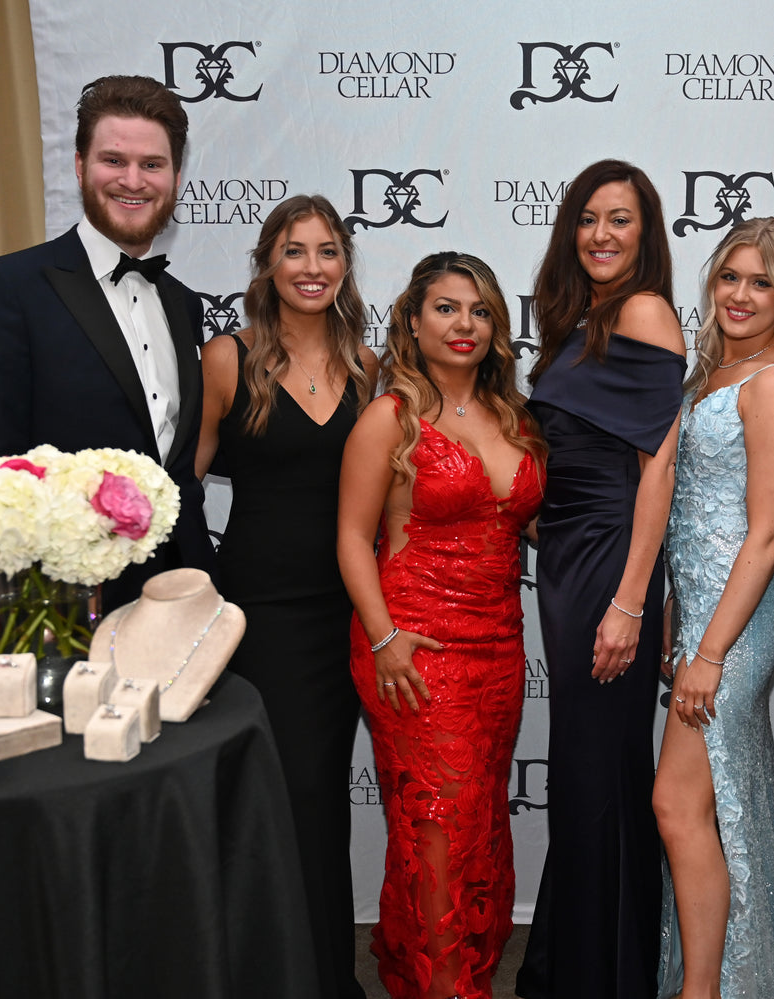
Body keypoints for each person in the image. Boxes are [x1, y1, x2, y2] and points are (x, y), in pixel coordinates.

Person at [339, 252, 544, 999]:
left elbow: (532, 526)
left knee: (479, 820)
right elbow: (351, 538)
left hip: (499, 646)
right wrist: (386, 639)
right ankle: (446, 986)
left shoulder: (514, 418)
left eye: (481, 311)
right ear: (413, 321)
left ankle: (442, 966)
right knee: (438, 829)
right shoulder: (389, 418)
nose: (465, 324)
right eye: (447, 308)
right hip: (415, 647)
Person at [195, 195, 377, 999]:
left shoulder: (367, 365)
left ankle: (326, 973)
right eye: (294, 250)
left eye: (327, 251)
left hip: (346, 607)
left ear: (344, 265)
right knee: (284, 792)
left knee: (324, 794)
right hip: (261, 611)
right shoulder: (226, 358)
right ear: (267, 263)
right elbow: (181, 485)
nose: (311, 266)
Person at [516, 159, 685, 999]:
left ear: (645, 233)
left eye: (620, 219)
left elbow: (660, 467)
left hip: (608, 561)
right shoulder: (581, 318)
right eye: (587, 218)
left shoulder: (646, 311)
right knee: (589, 767)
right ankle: (580, 958)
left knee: (598, 769)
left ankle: (603, 973)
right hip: (568, 558)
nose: (601, 234)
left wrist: (630, 600)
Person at [0, 74, 212, 608]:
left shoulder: (184, 304)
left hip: (183, 593)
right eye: (114, 160)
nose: (133, 181)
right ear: (79, 166)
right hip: (64, 602)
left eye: (152, 164)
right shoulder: (8, 288)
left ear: (176, 178)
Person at [653, 218, 774, 999]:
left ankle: (704, 990)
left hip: (740, 621)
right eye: (731, 277)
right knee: (716, 804)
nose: (742, 296)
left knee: (676, 804)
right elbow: (690, 509)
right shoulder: (712, 372)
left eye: (763, 283)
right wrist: (674, 609)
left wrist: (711, 651)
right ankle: (730, 975)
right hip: (700, 610)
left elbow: (767, 534)